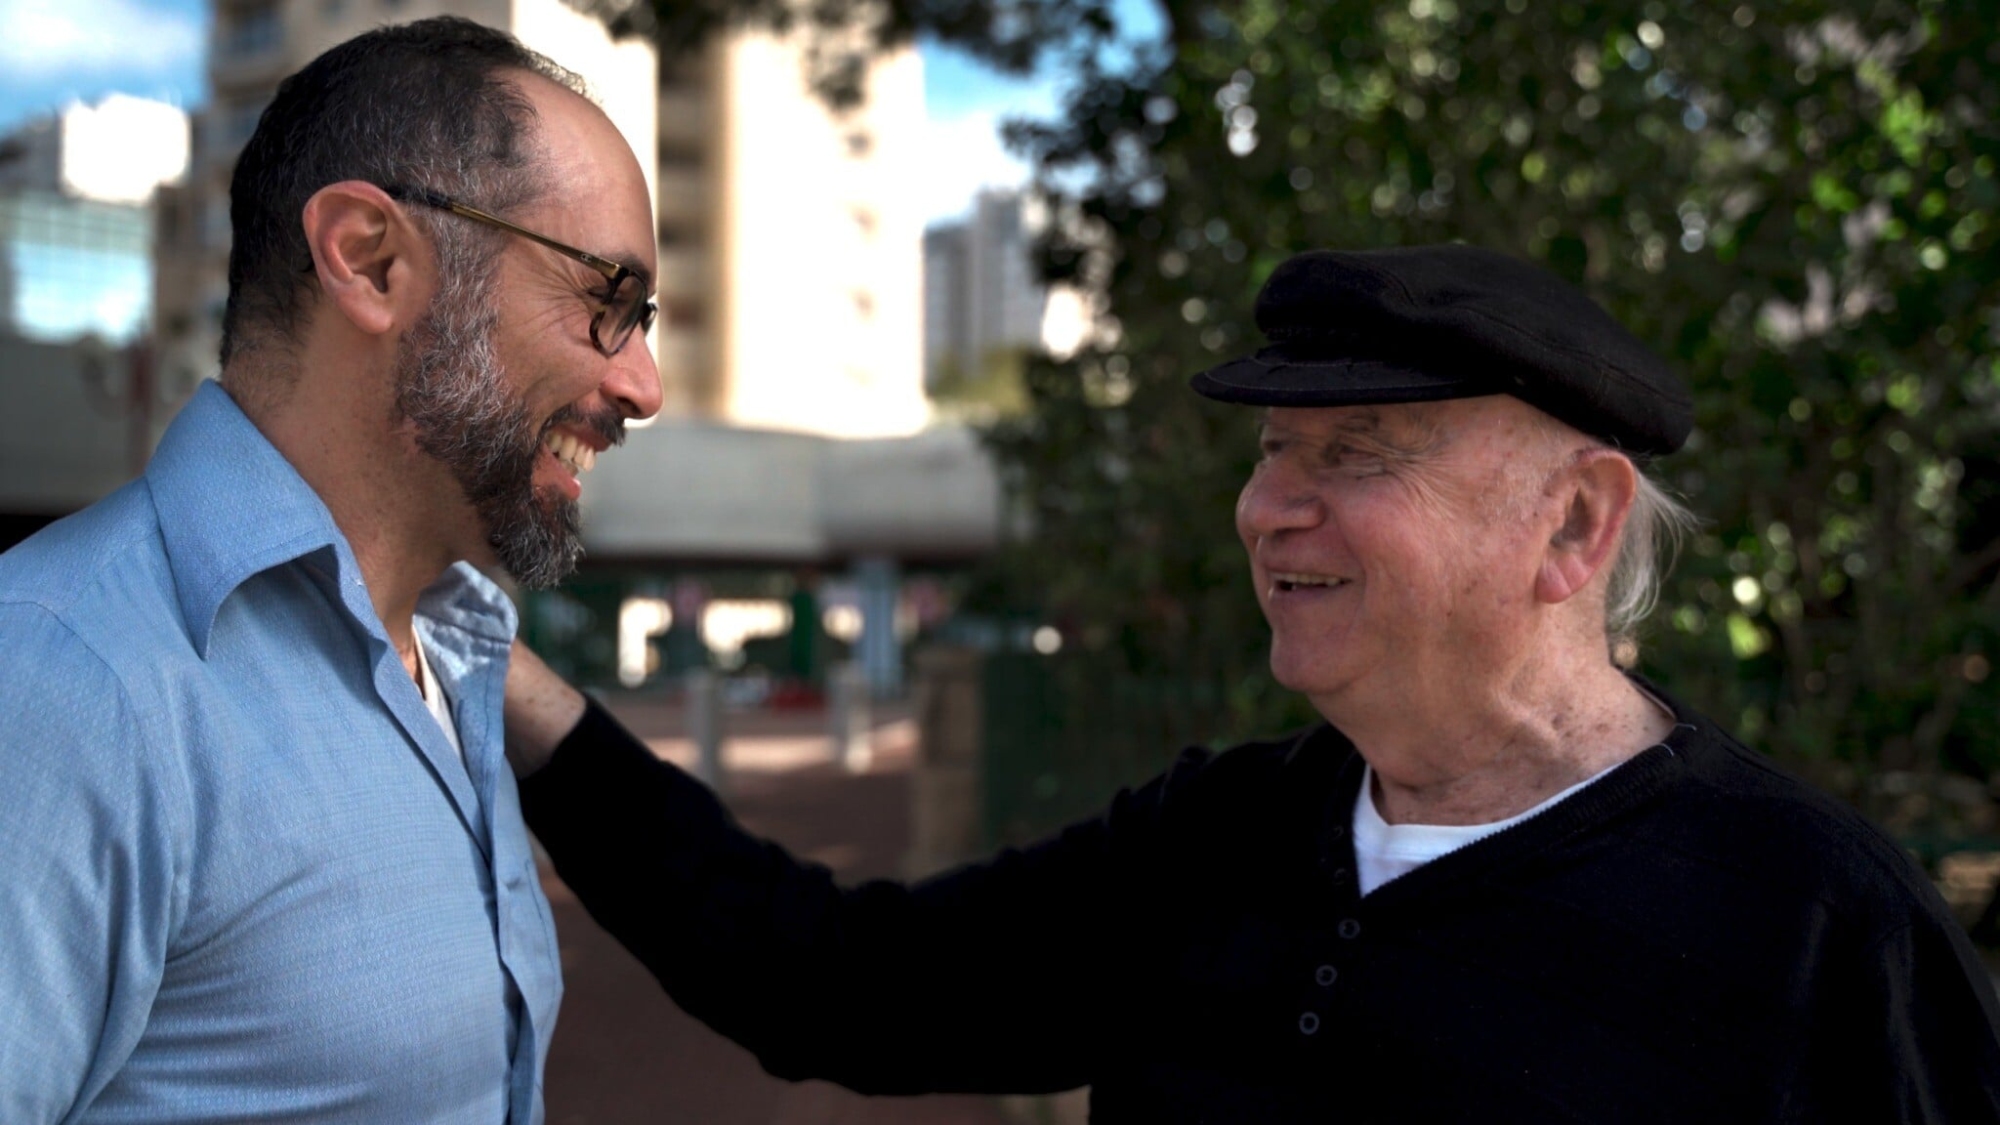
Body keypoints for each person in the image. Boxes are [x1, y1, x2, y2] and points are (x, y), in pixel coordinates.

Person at [502, 245, 2000, 1122]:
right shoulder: (1213, 838)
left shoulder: (1821, 933)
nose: (1270, 509)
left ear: (1572, 526)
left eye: (1356, 457)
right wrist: (524, 702)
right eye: (1273, 452)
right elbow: (836, 984)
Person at [0, 18, 661, 1123]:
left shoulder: (458, 656)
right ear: (369, 259)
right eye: (607, 300)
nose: (644, 384)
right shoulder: (59, 683)